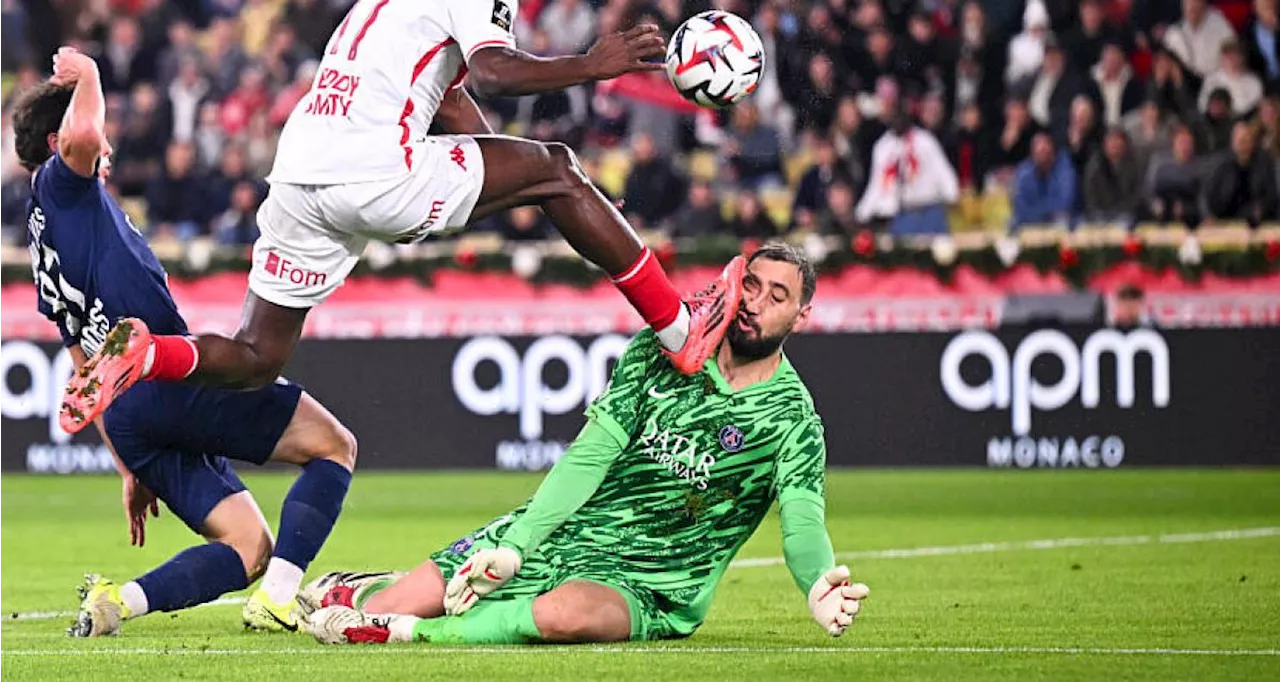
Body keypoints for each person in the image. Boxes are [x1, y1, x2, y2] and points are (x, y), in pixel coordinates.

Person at [61, 0, 744, 433]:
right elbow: (497, 76)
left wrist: (540, 188)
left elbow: (452, 110)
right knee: (559, 166)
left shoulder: (380, 8)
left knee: (255, 356)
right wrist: (591, 67)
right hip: (374, 169)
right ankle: (683, 330)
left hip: (300, 170)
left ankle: (149, 353)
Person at [296, 243, 871, 646]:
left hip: (649, 582)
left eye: (778, 296)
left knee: (561, 616)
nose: (755, 303)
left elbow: (800, 520)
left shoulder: (791, 418)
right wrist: (519, 544)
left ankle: (411, 634)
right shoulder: (664, 349)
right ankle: (372, 592)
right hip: (564, 535)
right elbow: (591, 453)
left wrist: (817, 581)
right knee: (387, 603)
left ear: (801, 316)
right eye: (751, 285)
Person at [13, 49, 357, 636]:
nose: (107, 145)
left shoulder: (43, 229)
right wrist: (90, 72)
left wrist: (128, 465)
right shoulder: (62, 187)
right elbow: (87, 133)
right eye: (88, 128)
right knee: (334, 447)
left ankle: (116, 602)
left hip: (127, 413)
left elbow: (85, 363)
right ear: (57, 142)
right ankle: (279, 599)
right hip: (166, 377)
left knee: (248, 546)